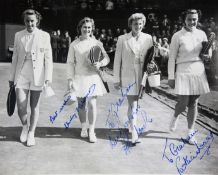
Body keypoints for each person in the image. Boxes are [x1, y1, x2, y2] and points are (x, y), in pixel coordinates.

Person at [9, 9, 53, 146]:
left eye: (32, 21)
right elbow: (15, 58)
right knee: (21, 106)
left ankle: (31, 133)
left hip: (38, 76)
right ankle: (24, 127)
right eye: (27, 21)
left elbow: (48, 59)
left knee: (34, 106)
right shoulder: (18, 35)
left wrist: (47, 78)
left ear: (37, 21)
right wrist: (12, 77)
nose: (30, 23)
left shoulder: (45, 36)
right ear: (24, 21)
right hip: (21, 75)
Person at [168, 9, 211, 144]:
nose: (192, 22)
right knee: (183, 103)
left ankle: (190, 133)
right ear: (184, 20)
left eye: (195, 19)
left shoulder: (202, 34)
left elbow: (207, 51)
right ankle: (175, 116)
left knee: (194, 103)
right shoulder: (177, 36)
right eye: (189, 19)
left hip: (198, 70)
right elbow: (172, 57)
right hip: (183, 70)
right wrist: (171, 76)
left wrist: (208, 55)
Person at [67, 17, 110, 143]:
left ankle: (91, 130)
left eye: (89, 28)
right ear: (80, 28)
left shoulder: (97, 43)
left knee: (92, 104)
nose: (87, 29)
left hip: (93, 77)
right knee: (81, 105)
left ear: (92, 29)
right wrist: (70, 79)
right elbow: (70, 63)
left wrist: (100, 63)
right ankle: (84, 127)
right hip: (79, 77)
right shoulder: (74, 44)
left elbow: (106, 58)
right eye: (84, 27)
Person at [113, 13, 153, 144]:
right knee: (133, 103)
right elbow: (117, 61)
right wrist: (117, 79)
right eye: (135, 24)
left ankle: (131, 124)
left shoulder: (148, 38)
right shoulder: (122, 39)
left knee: (134, 103)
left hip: (142, 75)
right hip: (127, 75)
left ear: (143, 24)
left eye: (140, 24)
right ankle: (134, 133)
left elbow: (151, 58)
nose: (138, 26)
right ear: (131, 24)